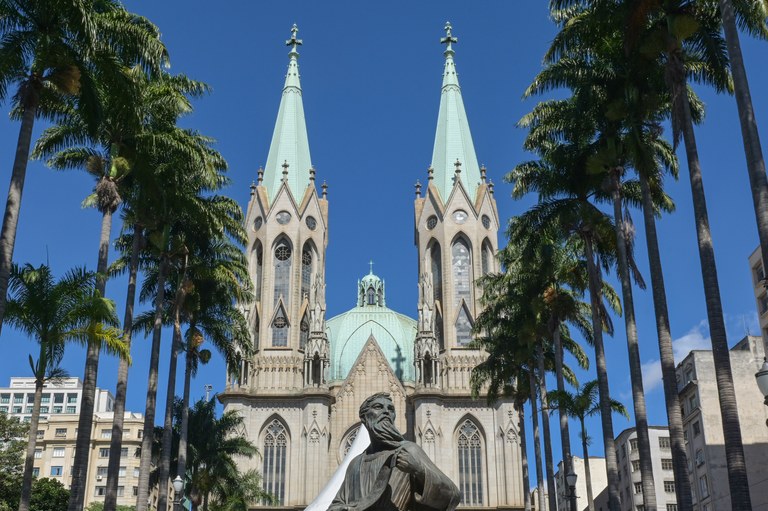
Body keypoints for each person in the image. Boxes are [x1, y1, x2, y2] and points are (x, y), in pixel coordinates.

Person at [329, 393, 461, 511]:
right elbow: (337, 503)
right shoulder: (355, 464)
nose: (386, 412)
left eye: (390, 409)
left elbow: (452, 496)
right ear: (364, 417)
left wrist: (419, 471)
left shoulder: (407, 450)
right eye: (378, 407)